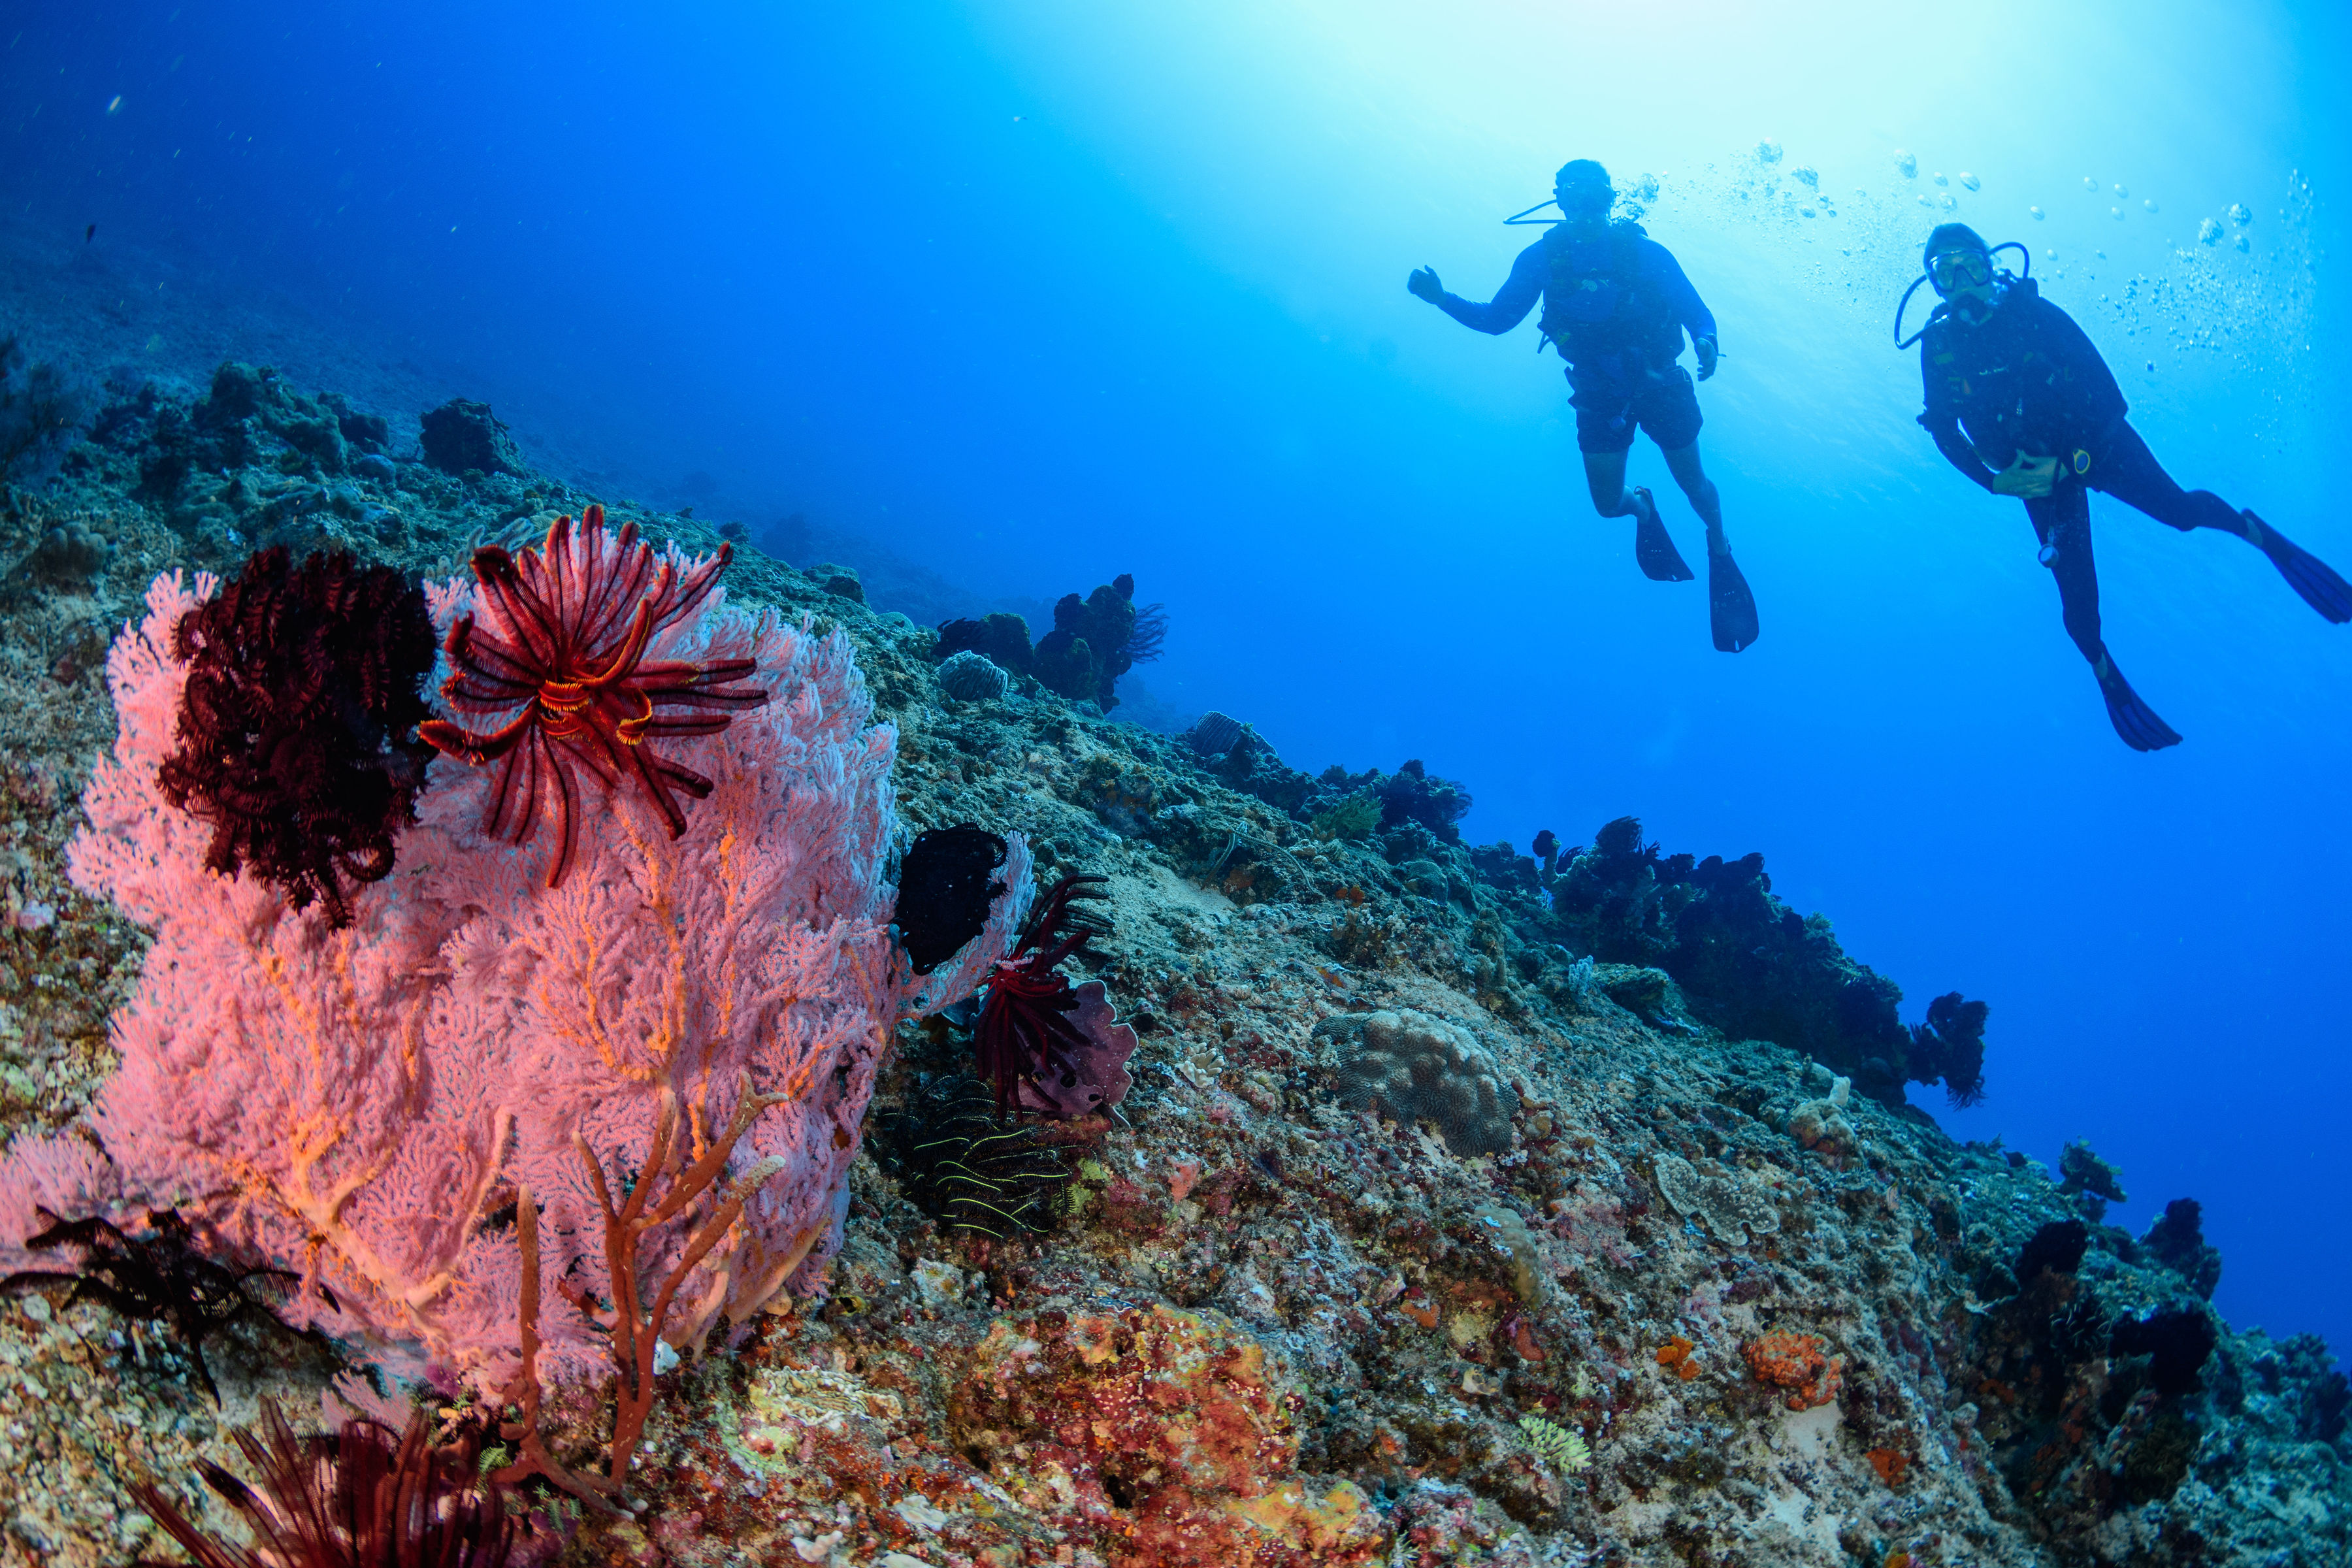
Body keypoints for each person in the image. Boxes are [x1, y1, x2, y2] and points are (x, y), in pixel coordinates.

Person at [1912, 221, 2351, 750]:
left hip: (2097, 443)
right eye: (1946, 272)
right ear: (1934, 285)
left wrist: (2070, 465)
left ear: (1991, 267)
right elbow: (1943, 429)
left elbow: (2107, 394)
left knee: (2180, 514)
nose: (1962, 281)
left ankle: (2252, 530)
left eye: (1971, 265)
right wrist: (1995, 482)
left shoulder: (2035, 314)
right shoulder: (1938, 347)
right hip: (2034, 477)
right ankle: (2107, 677)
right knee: (2079, 612)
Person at [1407, 159, 1757, 652]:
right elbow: (1497, 320)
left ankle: (1718, 543)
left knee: (1693, 484)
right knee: (1608, 505)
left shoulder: (1645, 253)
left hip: (1662, 384)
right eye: (1577, 200)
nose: (1588, 210)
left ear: (1611, 200)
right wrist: (1441, 298)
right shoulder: (1542, 259)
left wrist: (1707, 341)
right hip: (1598, 394)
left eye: (1597, 199)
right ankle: (1642, 506)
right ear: (1561, 202)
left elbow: (1695, 311)